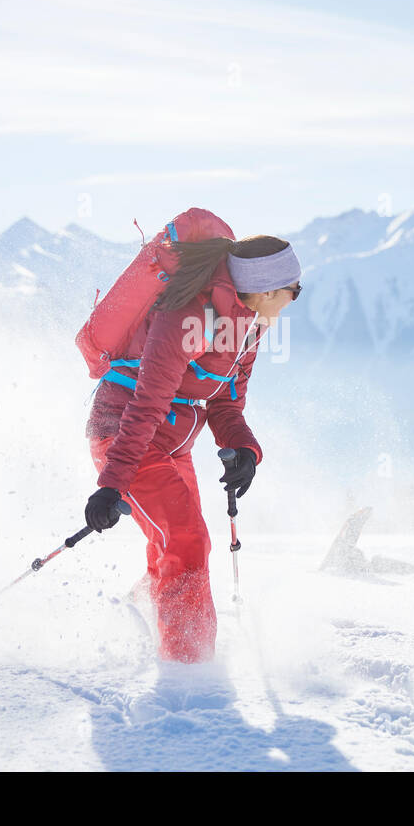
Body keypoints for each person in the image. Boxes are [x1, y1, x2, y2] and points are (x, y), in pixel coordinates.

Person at [83, 227, 301, 663]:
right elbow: (146, 405)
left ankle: (146, 616)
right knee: (187, 539)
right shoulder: (190, 317)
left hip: (169, 445)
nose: (295, 299)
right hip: (125, 434)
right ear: (266, 289)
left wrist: (244, 449)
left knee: (177, 543)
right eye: (293, 290)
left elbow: (224, 400)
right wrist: (112, 484)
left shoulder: (249, 329)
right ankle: (190, 669)